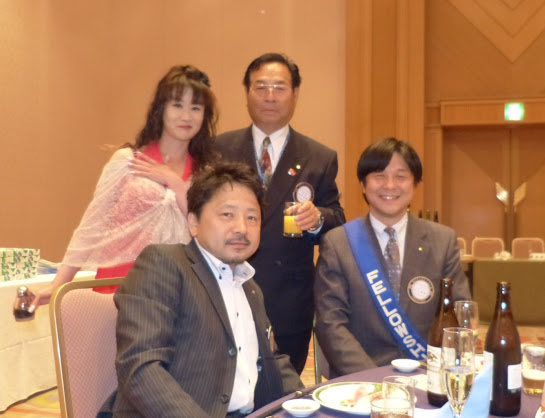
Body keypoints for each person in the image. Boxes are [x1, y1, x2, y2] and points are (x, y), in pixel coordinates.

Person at [98, 162, 304, 418]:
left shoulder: (249, 286)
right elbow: (141, 366)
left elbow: (273, 362)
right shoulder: (165, 264)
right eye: (227, 214)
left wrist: (309, 403)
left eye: (252, 217)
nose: (242, 228)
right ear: (193, 222)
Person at [27, 65, 218, 312]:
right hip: (117, 285)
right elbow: (92, 225)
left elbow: (207, 233)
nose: (186, 116)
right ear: (161, 108)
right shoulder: (126, 161)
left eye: (196, 108)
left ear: (205, 115)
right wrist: (59, 282)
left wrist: (174, 182)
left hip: (175, 289)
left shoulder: (206, 173)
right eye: (177, 105)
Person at [215, 52, 345, 374]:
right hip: (225, 294)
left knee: (282, 390)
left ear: (295, 94)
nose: (270, 96)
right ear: (247, 93)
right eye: (261, 87)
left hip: (289, 303)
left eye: (279, 87)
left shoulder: (319, 157)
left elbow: (337, 220)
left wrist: (317, 219)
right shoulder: (218, 150)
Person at [314, 137, 471, 378]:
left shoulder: (443, 240)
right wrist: (374, 379)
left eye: (400, 176)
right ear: (363, 185)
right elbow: (331, 324)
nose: (390, 185)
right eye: (379, 176)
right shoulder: (338, 243)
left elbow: (458, 315)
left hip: (427, 374)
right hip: (360, 379)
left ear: (415, 184)